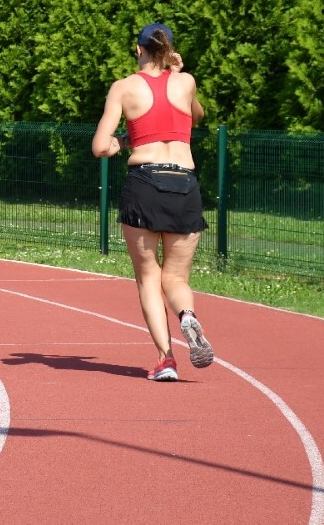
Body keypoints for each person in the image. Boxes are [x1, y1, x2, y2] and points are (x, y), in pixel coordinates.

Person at [92, 23, 215, 382]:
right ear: (169, 50)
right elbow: (198, 115)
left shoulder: (123, 88)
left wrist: (118, 145)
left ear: (138, 49)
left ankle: (166, 359)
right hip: (184, 184)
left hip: (145, 182)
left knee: (149, 277)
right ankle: (187, 316)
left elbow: (101, 146)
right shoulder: (186, 81)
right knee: (176, 277)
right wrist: (177, 72)